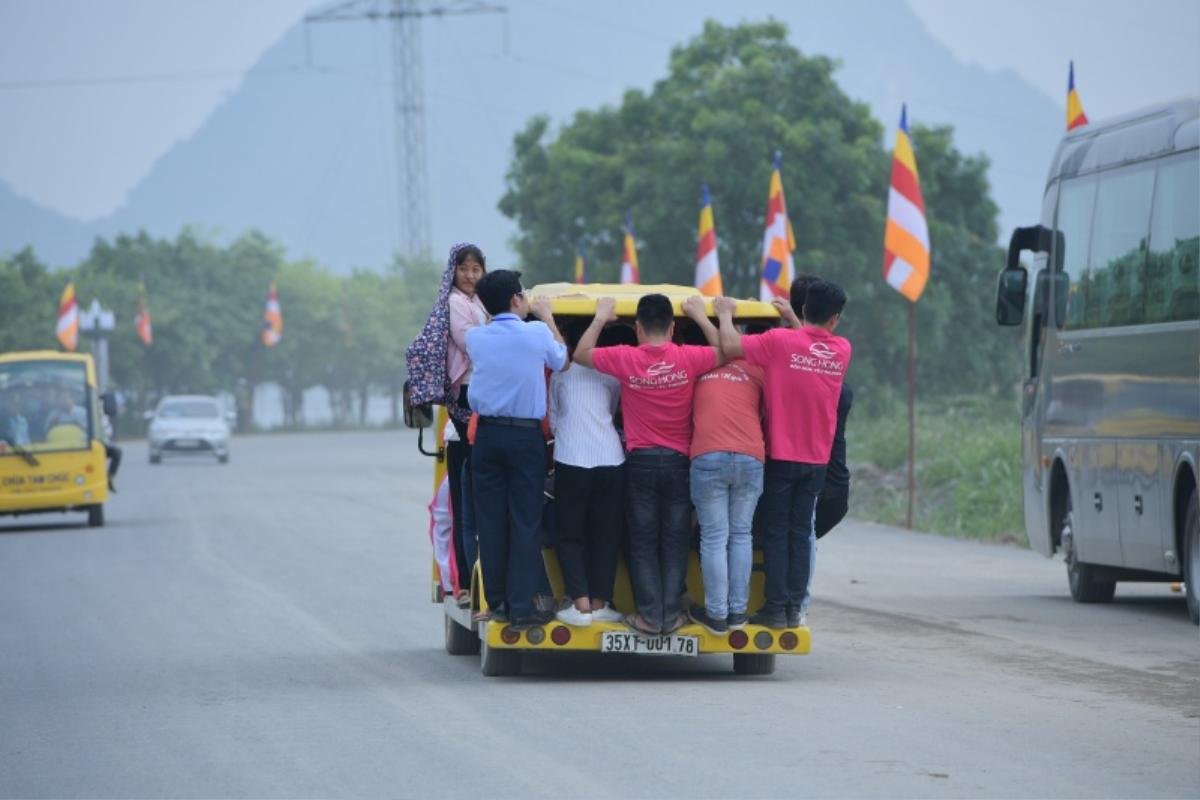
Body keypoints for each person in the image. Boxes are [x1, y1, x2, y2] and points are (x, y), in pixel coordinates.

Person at [574, 294, 723, 636]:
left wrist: (599, 318)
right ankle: (670, 616)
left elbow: (580, 354)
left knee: (642, 541)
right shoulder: (689, 357)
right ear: (672, 328)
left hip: (639, 462)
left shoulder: (626, 357)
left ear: (638, 328)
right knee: (674, 540)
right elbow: (726, 350)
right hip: (679, 463)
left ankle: (649, 616)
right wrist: (702, 318)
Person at [715, 280, 851, 629]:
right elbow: (807, 343)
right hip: (817, 460)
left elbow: (730, 345)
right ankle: (793, 609)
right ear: (835, 319)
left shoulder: (778, 343)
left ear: (804, 310)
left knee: (776, 532)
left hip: (781, 455)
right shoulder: (842, 349)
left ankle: (775, 608)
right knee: (799, 533)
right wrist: (794, 317)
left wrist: (726, 314)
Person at [466, 270, 567, 629]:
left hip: (488, 437)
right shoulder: (537, 332)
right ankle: (522, 607)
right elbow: (561, 360)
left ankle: (498, 603)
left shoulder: (475, 337)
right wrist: (548, 317)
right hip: (525, 438)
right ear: (515, 300)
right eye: (523, 295)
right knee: (525, 521)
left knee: (491, 522)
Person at [405, 243, 489, 604]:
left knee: (475, 499)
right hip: (466, 397)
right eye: (464, 269)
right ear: (453, 272)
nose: (470, 276)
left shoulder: (480, 302)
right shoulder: (455, 303)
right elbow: (470, 342)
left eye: (476, 269)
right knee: (463, 500)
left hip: (484, 393)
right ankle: (467, 583)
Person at [684, 298, 767, 634]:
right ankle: (737, 613)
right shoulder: (759, 370)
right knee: (741, 534)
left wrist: (711, 319)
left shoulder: (695, 367)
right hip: (750, 456)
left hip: (708, 455)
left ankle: (717, 614)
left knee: (715, 537)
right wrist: (723, 317)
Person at [548, 321, 626, 626]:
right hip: (611, 460)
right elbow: (614, 410)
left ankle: (579, 605)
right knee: (606, 535)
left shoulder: (559, 375)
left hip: (571, 459)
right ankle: (600, 602)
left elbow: (553, 420)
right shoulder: (612, 374)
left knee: (570, 534)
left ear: (567, 338)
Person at [773, 275, 855, 540]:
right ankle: (795, 585)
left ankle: (786, 584)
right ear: (833, 318)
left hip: (801, 471)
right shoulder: (838, 358)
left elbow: (804, 352)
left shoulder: (781, 355)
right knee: (802, 535)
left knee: (792, 535)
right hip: (830, 478)